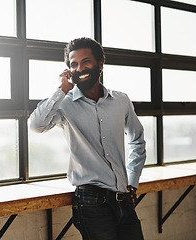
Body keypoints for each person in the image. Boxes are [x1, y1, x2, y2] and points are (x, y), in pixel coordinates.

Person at [28, 37, 146, 240]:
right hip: (91, 201)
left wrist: (133, 181)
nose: (80, 68)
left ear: (100, 64)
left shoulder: (121, 101)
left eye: (86, 61)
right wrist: (62, 90)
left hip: (124, 198)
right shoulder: (64, 104)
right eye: (73, 64)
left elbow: (137, 140)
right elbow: (35, 126)